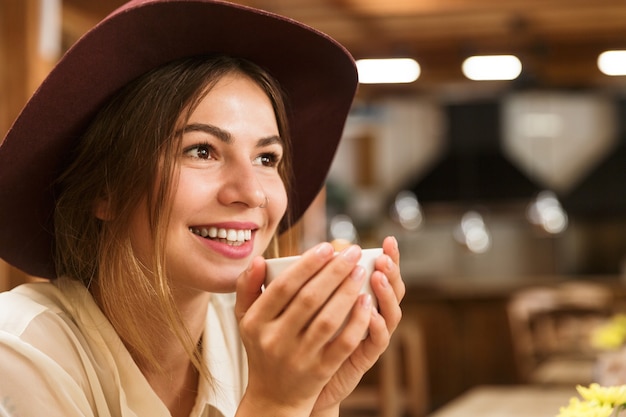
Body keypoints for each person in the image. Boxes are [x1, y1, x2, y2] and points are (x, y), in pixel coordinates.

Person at [0, 1, 405, 416]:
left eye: (267, 158)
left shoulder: (260, 336)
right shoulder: (18, 353)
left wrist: (318, 401)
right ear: (105, 190)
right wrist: (275, 404)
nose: (251, 193)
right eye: (202, 150)